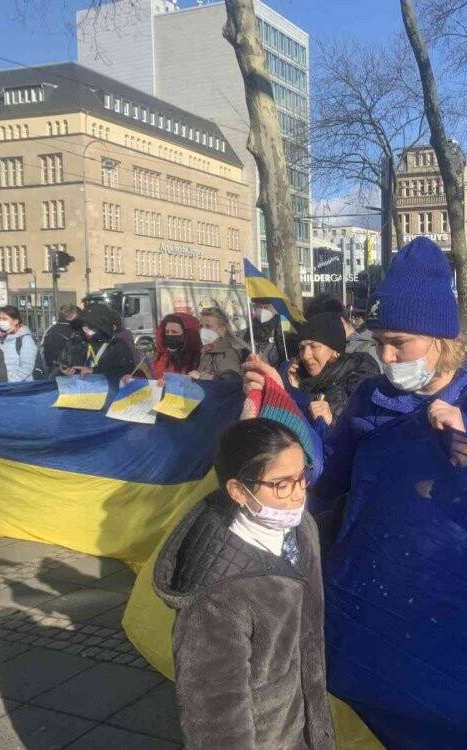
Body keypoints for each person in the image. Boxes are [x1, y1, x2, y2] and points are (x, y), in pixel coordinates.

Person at [267, 237, 467, 511]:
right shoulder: (369, 397)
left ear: (441, 339)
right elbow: (327, 475)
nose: (386, 356)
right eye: (379, 342)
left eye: (399, 342)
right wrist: (281, 408)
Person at [154, 375, 334, 749]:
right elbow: (214, 715)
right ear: (238, 490)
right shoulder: (216, 593)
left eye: (302, 478)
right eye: (282, 484)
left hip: (304, 725)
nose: (298, 495)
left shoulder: (303, 529)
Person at [285, 312, 380, 427]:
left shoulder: (359, 375)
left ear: (335, 350)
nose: (305, 355)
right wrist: (292, 389)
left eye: (314, 346)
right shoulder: (297, 378)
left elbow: (366, 428)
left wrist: (332, 421)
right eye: (301, 348)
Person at [62, 303, 135, 379]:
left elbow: (126, 373)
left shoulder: (118, 345)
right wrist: (69, 372)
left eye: (90, 327)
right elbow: (68, 366)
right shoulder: (79, 344)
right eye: (84, 326)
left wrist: (94, 371)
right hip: (82, 389)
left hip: (108, 389)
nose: (85, 330)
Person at [306, 294, 380, 368]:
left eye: (321, 328)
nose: (317, 335)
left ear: (340, 321)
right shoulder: (336, 349)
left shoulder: (368, 352)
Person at [191, 307, 248, 382]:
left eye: (208, 326)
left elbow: (231, 383)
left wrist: (200, 376)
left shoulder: (226, 351)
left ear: (222, 329)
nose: (203, 330)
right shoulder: (211, 348)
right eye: (201, 326)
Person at [0, 305, 38, 383]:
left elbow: (27, 368)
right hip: (3, 387)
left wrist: (9, 382)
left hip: (20, 388)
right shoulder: (0, 338)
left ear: (16, 321)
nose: (1, 322)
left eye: (4, 319)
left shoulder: (25, 340)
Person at [152, 312, 202, 378]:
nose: (170, 335)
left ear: (187, 335)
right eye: (167, 332)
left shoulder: (199, 358)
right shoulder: (162, 357)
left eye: (174, 332)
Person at [42, 304, 81, 375]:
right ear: (74, 315)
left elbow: (42, 351)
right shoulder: (74, 331)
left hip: (51, 370)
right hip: (69, 372)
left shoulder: (49, 330)